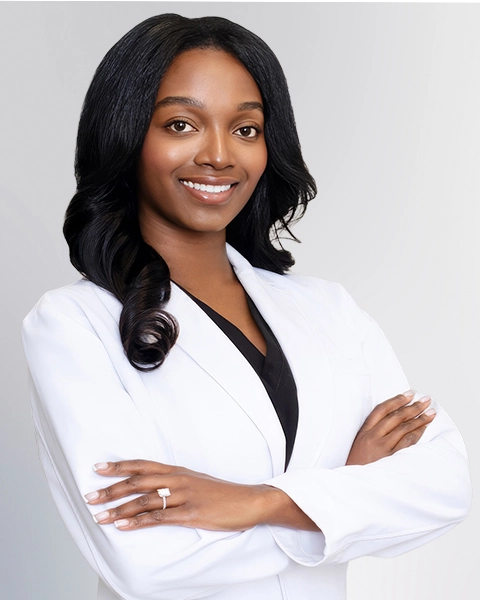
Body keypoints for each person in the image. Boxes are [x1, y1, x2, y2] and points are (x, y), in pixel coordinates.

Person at [21, 14, 471, 600]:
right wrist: (345, 496)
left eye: (246, 129)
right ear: (128, 136)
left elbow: (444, 485)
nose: (218, 155)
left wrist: (259, 502)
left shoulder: (328, 309)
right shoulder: (72, 325)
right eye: (181, 124)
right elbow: (145, 562)